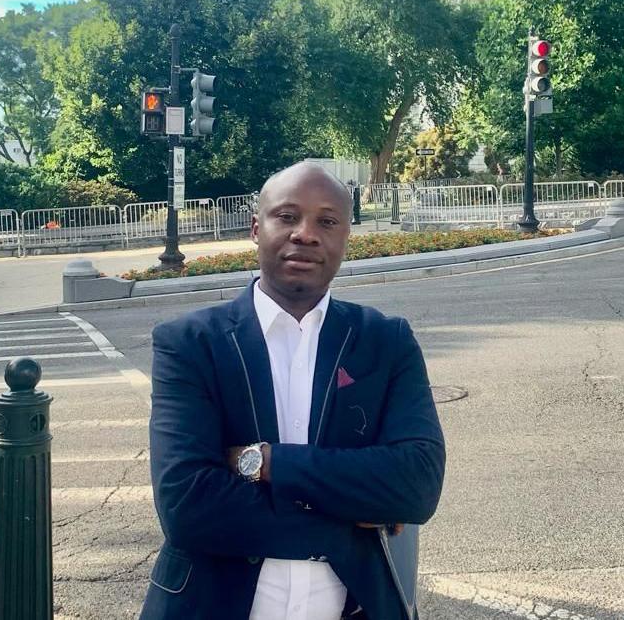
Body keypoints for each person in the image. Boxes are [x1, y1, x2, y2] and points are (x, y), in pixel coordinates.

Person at [141, 163, 444, 620]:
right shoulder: (190, 344)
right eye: (286, 216)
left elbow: (416, 485)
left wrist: (265, 462)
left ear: (346, 237)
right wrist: (348, 516)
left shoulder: (385, 341)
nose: (305, 233)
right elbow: (188, 508)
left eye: (327, 221)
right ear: (255, 229)